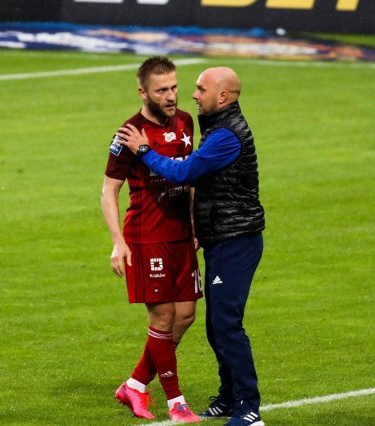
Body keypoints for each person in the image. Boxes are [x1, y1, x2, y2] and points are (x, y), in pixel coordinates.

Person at [116, 66, 266, 426]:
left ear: (223, 97)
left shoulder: (226, 135)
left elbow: (184, 173)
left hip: (236, 240)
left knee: (226, 324)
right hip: (219, 237)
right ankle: (230, 397)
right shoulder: (215, 125)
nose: (192, 95)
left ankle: (249, 408)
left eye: (200, 89)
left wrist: (144, 150)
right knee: (217, 326)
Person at [100, 56, 202, 423]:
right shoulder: (127, 134)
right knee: (163, 319)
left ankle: (135, 384)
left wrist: (193, 224)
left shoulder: (187, 122)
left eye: (174, 87)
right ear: (143, 92)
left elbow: (189, 177)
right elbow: (108, 191)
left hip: (180, 235)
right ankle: (177, 404)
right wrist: (118, 242)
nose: (172, 96)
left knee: (186, 315)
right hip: (146, 238)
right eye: (162, 90)